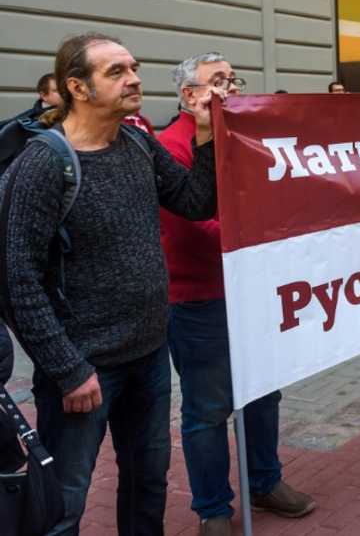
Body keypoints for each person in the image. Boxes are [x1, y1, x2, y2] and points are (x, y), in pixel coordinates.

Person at [2, 32, 221, 533]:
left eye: (134, 67)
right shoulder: (44, 164)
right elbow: (17, 281)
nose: (135, 78)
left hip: (148, 355)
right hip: (85, 370)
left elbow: (195, 201)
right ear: (78, 87)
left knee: (149, 483)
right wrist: (66, 369)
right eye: (117, 71)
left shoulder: (138, 142)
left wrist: (206, 135)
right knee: (63, 502)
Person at [160, 53, 314, 534]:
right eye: (218, 81)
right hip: (200, 298)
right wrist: (258, 241)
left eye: (233, 80)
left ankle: (264, 481)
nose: (230, 88)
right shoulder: (170, 146)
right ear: (190, 95)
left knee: (264, 393)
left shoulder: (247, 138)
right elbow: (189, 226)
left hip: (255, 291)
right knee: (207, 409)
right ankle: (212, 509)